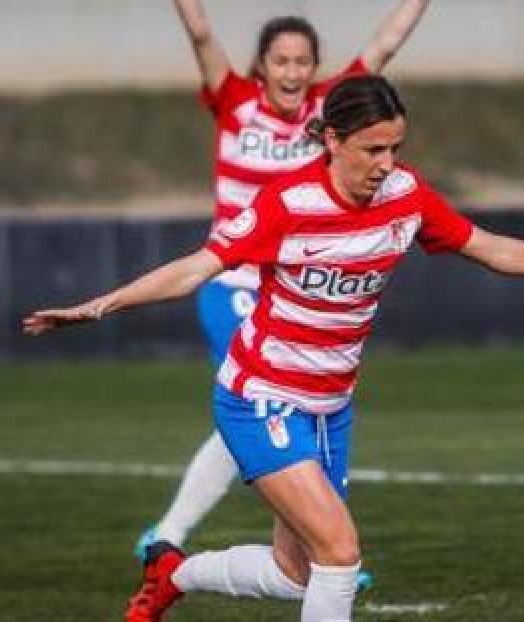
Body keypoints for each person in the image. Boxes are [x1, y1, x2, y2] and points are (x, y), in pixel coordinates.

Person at [26, 75, 524, 622]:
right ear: (332, 140)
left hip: (331, 408)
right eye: (372, 149)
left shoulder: (406, 196)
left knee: (298, 573)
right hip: (258, 396)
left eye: (396, 147)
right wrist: (100, 306)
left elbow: (490, 247)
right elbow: (195, 268)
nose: (386, 163)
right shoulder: (287, 202)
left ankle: (172, 575)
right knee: (340, 550)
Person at [133, 0, 431, 566]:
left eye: (303, 61)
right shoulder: (235, 100)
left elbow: (389, 40)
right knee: (260, 401)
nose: (293, 72)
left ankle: (309, 550)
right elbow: (198, 30)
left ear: (317, 67)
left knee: (279, 414)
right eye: (281, 61)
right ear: (261, 66)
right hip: (234, 282)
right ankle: (172, 534)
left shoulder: (333, 112)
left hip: (294, 285)